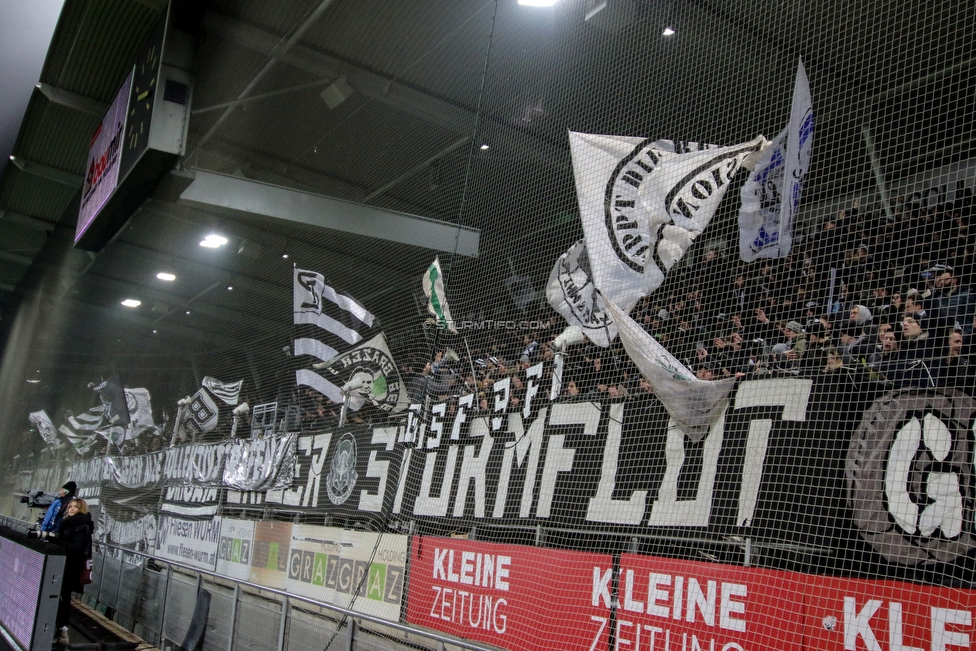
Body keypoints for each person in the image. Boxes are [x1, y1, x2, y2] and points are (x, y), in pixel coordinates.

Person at [55, 498, 94, 645]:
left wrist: (57, 541)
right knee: (61, 597)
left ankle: (62, 632)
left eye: (75, 507)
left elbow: (76, 549)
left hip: (70, 567)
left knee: (63, 598)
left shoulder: (81, 526)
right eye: (70, 506)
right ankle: (61, 632)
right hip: (63, 565)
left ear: (81, 509)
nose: (71, 509)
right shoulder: (68, 523)